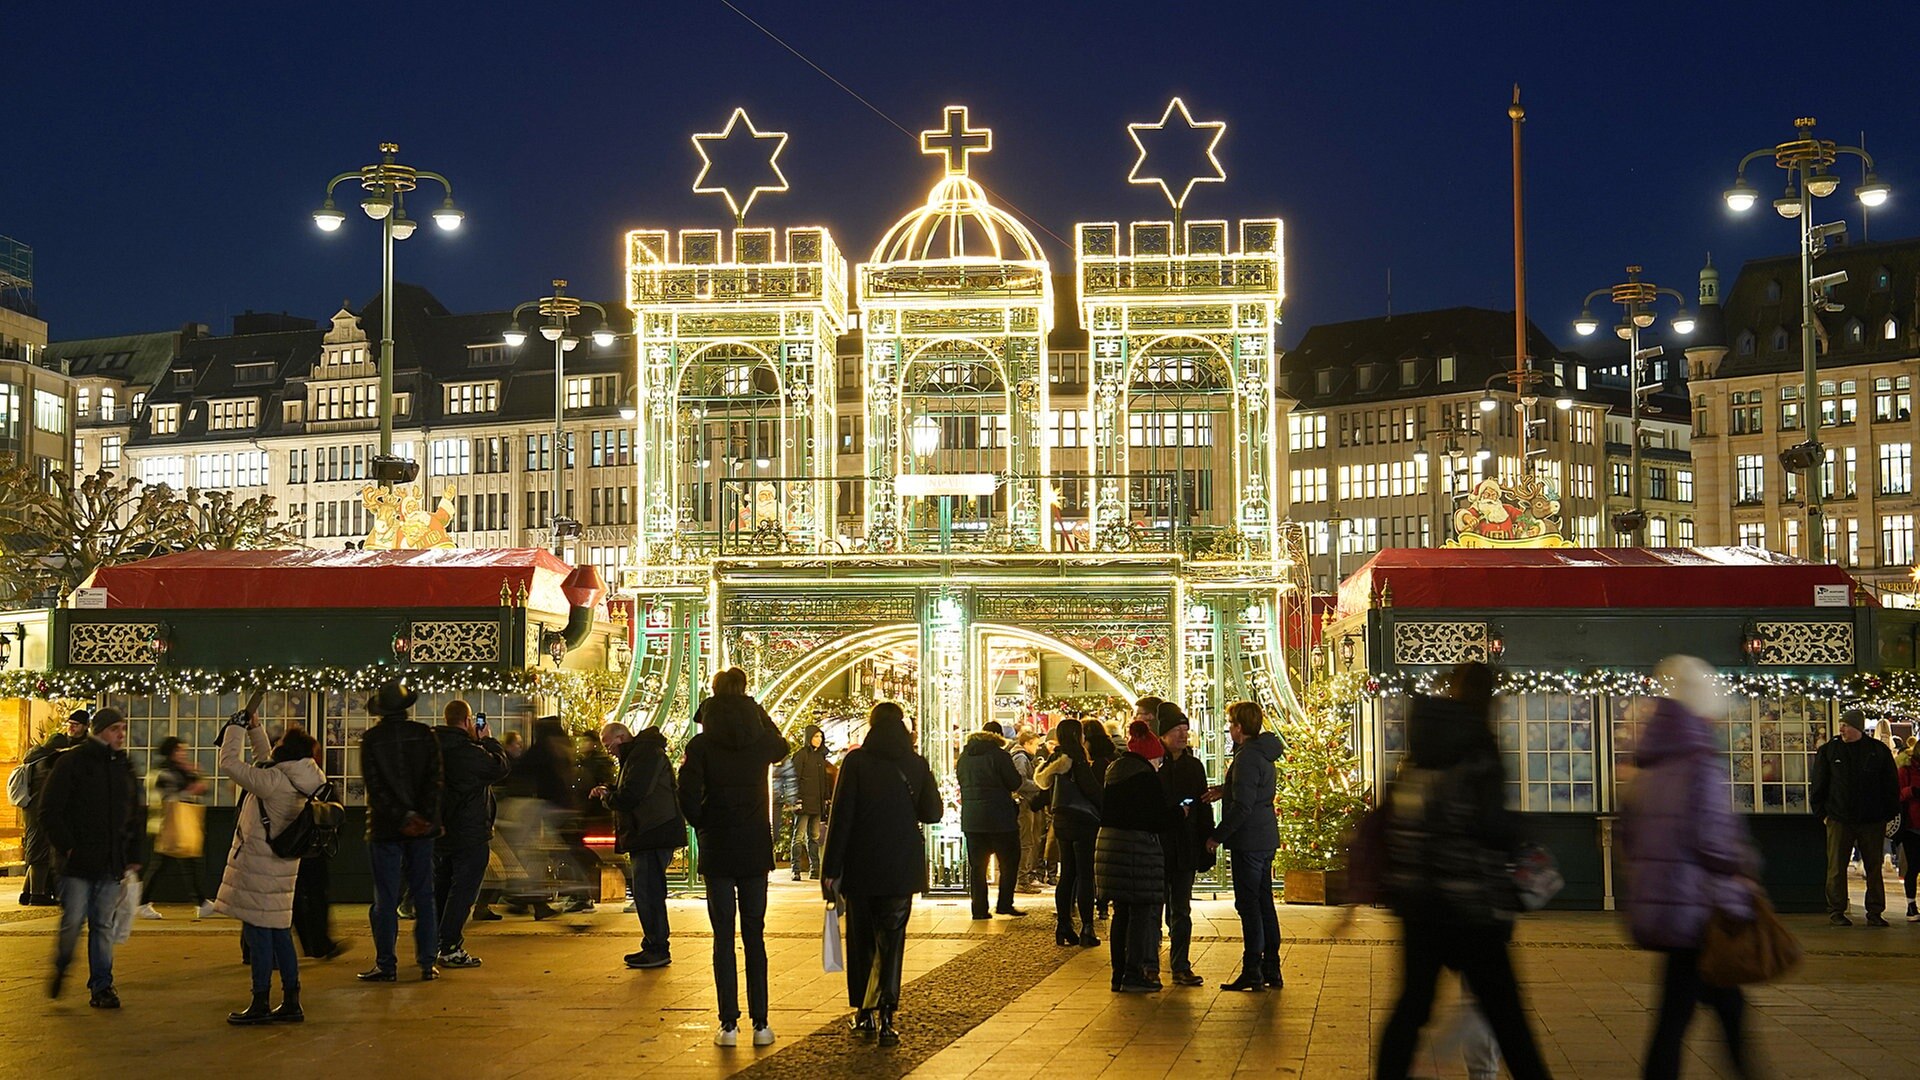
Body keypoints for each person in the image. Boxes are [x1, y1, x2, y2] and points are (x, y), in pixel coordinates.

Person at [1375, 663, 1551, 1080]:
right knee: (1507, 1017)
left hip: (1420, 903)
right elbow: (1491, 827)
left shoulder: (1422, 751)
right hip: (1472, 904)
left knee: (1412, 1008)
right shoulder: (1478, 750)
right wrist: (1522, 834)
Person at [1620, 656, 1757, 1079]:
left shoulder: (1649, 764)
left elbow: (1630, 836)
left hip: (1669, 907)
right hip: (1699, 909)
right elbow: (1715, 839)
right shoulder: (1700, 765)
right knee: (1709, 1013)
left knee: (1686, 1013)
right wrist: (1745, 866)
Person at [678, 666, 790, 1048]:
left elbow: (687, 796)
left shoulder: (701, 746)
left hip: (718, 848)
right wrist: (755, 709)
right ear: (745, 695)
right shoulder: (759, 740)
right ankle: (762, 1024)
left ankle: (728, 1024)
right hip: (755, 847)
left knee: (722, 936)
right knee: (755, 935)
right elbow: (782, 745)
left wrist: (704, 825)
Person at [821, 701, 944, 1046]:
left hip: (862, 865)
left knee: (863, 941)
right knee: (892, 940)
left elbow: (842, 817)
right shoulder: (915, 763)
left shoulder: (856, 762)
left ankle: (865, 1013)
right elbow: (932, 812)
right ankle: (888, 1015)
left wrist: (831, 869)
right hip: (901, 866)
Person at [214, 708, 328, 1025]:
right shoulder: (300, 777)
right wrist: (255, 729)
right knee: (279, 934)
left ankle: (260, 1000)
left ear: (286, 752)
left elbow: (230, 764)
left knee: (258, 934)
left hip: (260, 867)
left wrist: (233, 730)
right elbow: (265, 760)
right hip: (283, 866)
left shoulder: (274, 781)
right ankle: (292, 1000)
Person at [40, 707, 141, 1007]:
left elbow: (135, 814)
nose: (120, 734)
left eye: (123, 729)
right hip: (77, 864)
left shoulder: (123, 767)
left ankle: (101, 986)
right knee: (73, 921)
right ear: (99, 731)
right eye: (114, 729)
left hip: (110, 862)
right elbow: (50, 811)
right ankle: (62, 965)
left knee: (103, 925)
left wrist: (133, 854)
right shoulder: (72, 762)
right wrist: (68, 847)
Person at [356, 680, 445, 983]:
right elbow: (435, 781)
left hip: (385, 829)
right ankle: (427, 962)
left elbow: (375, 788)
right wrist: (422, 817)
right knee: (424, 895)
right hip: (423, 830)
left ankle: (386, 963)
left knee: (386, 897)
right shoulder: (424, 735)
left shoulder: (371, 739)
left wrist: (401, 816)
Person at [1096, 720, 1184, 993]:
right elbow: (1154, 819)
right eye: (1158, 760)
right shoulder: (1145, 777)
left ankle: (1118, 974)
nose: (1160, 765)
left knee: (1121, 912)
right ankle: (1134, 974)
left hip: (1111, 849)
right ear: (1150, 756)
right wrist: (1180, 813)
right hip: (1136, 852)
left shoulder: (1115, 771)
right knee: (1140, 915)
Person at [593, 721, 685, 969]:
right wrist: (611, 790)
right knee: (647, 891)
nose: (607, 750)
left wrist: (607, 798)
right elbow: (631, 789)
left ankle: (657, 948)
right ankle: (653, 945)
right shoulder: (640, 755)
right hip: (650, 832)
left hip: (651, 833)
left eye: (608, 743)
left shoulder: (644, 755)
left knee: (649, 892)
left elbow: (632, 795)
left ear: (621, 737)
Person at [1207, 700, 1283, 991]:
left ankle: (1253, 968)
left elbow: (1243, 805)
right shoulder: (1263, 752)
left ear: (1239, 727)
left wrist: (1217, 835)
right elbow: (1254, 789)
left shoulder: (1247, 756)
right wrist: (1224, 790)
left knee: (1249, 904)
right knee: (1264, 903)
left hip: (1249, 840)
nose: (1228, 728)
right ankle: (1271, 968)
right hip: (1264, 837)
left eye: (1230, 723)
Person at [432, 699, 510, 969]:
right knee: (463, 891)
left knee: (442, 887)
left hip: (440, 830)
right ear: (467, 722)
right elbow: (499, 768)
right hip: (469, 830)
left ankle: (434, 942)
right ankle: (450, 946)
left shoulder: (434, 747)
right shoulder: (469, 751)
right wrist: (487, 740)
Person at [1811, 708, 1901, 926]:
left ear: (1858, 728)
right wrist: (1823, 814)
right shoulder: (1830, 751)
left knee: (1873, 866)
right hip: (1839, 817)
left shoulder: (1878, 751)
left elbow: (1890, 785)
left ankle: (1875, 911)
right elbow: (1819, 783)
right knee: (1836, 867)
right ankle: (1836, 910)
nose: (1842, 728)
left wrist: (1888, 813)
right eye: (1841, 724)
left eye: (1847, 725)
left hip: (1872, 819)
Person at [1155, 702, 1210, 987]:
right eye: (1176, 730)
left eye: (1185, 730)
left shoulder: (1193, 766)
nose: (1182, 735)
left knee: (1181, 909)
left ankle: (1180, 964)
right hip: (1157, 848)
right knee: (1153, 907)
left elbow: (1203, 807)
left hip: (1185, 847)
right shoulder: (1153, 766)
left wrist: (1206, 841)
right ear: (1162, 734)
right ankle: (1150, 966)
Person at [1037, 717, 1102, 947]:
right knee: (1085, 875)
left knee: (1067, 874)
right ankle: (1087, 928)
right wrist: (1105, 806)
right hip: (1082, 821)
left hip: (1061, 822)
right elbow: (1091, 789)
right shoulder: (1077, 758)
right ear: (1078, 735)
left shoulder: (1054, 759)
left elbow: (1045, 790)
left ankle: (1063, 925)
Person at [137, 736, 214, 919]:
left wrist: (196, 776)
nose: (184, 753)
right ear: (171, 752)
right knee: (161, 865)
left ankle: (201, 902)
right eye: (180, 750)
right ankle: (142, 903)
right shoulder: (162, 772)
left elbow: (201, 789)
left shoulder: (181, 771)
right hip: (166, 825)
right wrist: (190, 789)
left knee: (188, 862)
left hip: (181, 825)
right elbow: (168, 798)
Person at [19, 710, 90, 906]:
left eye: (76, 724)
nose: (72, 727)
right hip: (40, 806)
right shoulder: (51, 755)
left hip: (40, 805)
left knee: (40, 848)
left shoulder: (43, 753)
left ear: (85, 726)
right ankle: (37, 893)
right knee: (40, 849)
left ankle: (29, 892)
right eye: (70, 723)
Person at [958, 720, 1026, 920]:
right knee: (1009, 862)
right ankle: (1005, 904)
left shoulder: (964, 757)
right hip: (1000, 818)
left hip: (972, 819)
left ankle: (979, 909)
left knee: (977, 866)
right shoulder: (1000, 755)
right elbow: (1015, 782)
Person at [790, 725, 832, 880]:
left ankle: (815, 868)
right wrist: (797, 798)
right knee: (799, 836)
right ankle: (796, 869)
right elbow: (794, 778)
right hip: (803, 802)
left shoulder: (820, 757)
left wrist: (826, 797)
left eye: (820, 737)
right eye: (815, 736)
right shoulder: (801, 756)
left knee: (814, 836)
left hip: (816, 803)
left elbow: (824, 780)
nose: (819, 740)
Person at [1009, 729, 1045, 891]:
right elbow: (1021, 782)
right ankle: (1022, 880)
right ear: (1027, 743)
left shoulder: (1022, 757)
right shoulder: (1021, 758)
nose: (1037, 748)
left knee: (1027, 840)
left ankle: (1022, 878)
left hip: (1025, 803)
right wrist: (1039, 785)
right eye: (1036, 745)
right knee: (1026, 841)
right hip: (1024, 804)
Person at [1898, 740, 1920, 922]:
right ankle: (1911, 905)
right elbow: (1895, 794)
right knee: (1913, 866)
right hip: (1912, 826)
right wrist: (1911, 791)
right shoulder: (1905, 770)